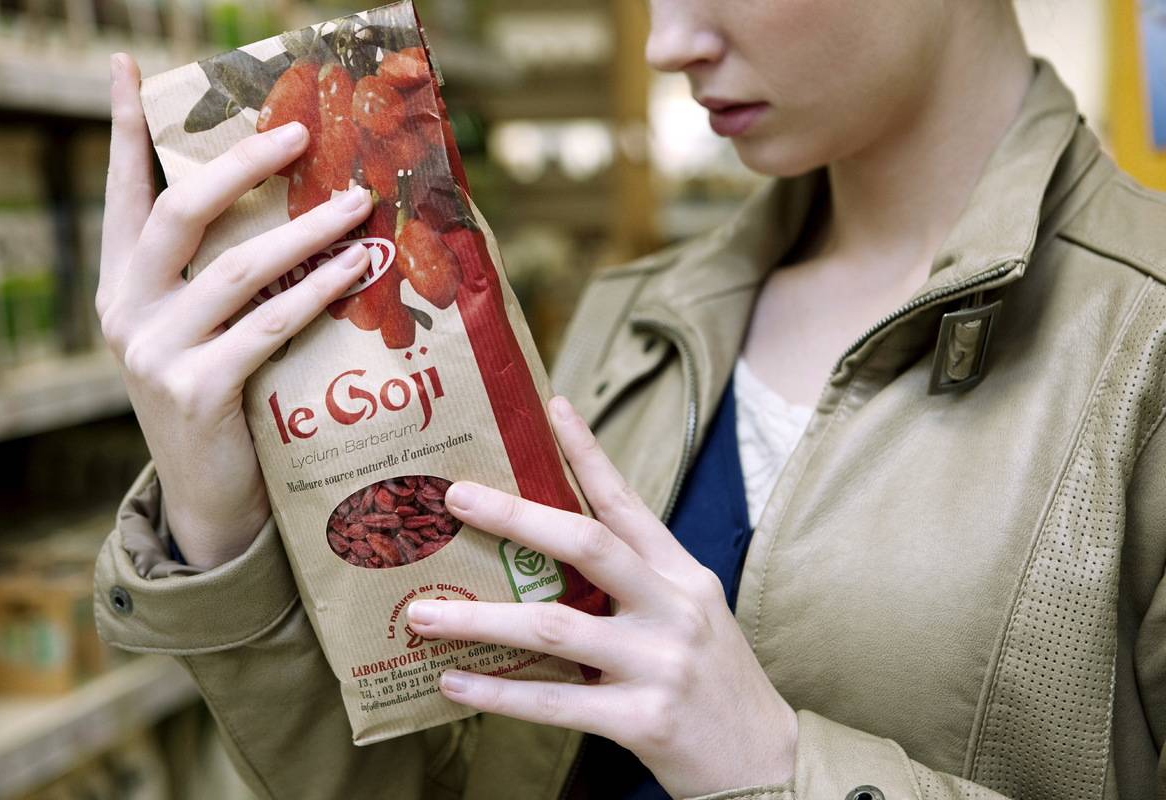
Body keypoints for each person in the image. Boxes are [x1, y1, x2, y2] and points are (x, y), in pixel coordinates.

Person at [93, 0, 1166, 797]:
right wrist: (223, 514)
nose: (664, 42)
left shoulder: (1143, 347)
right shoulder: (633, 320)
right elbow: (450, 775)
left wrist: (783, 769)